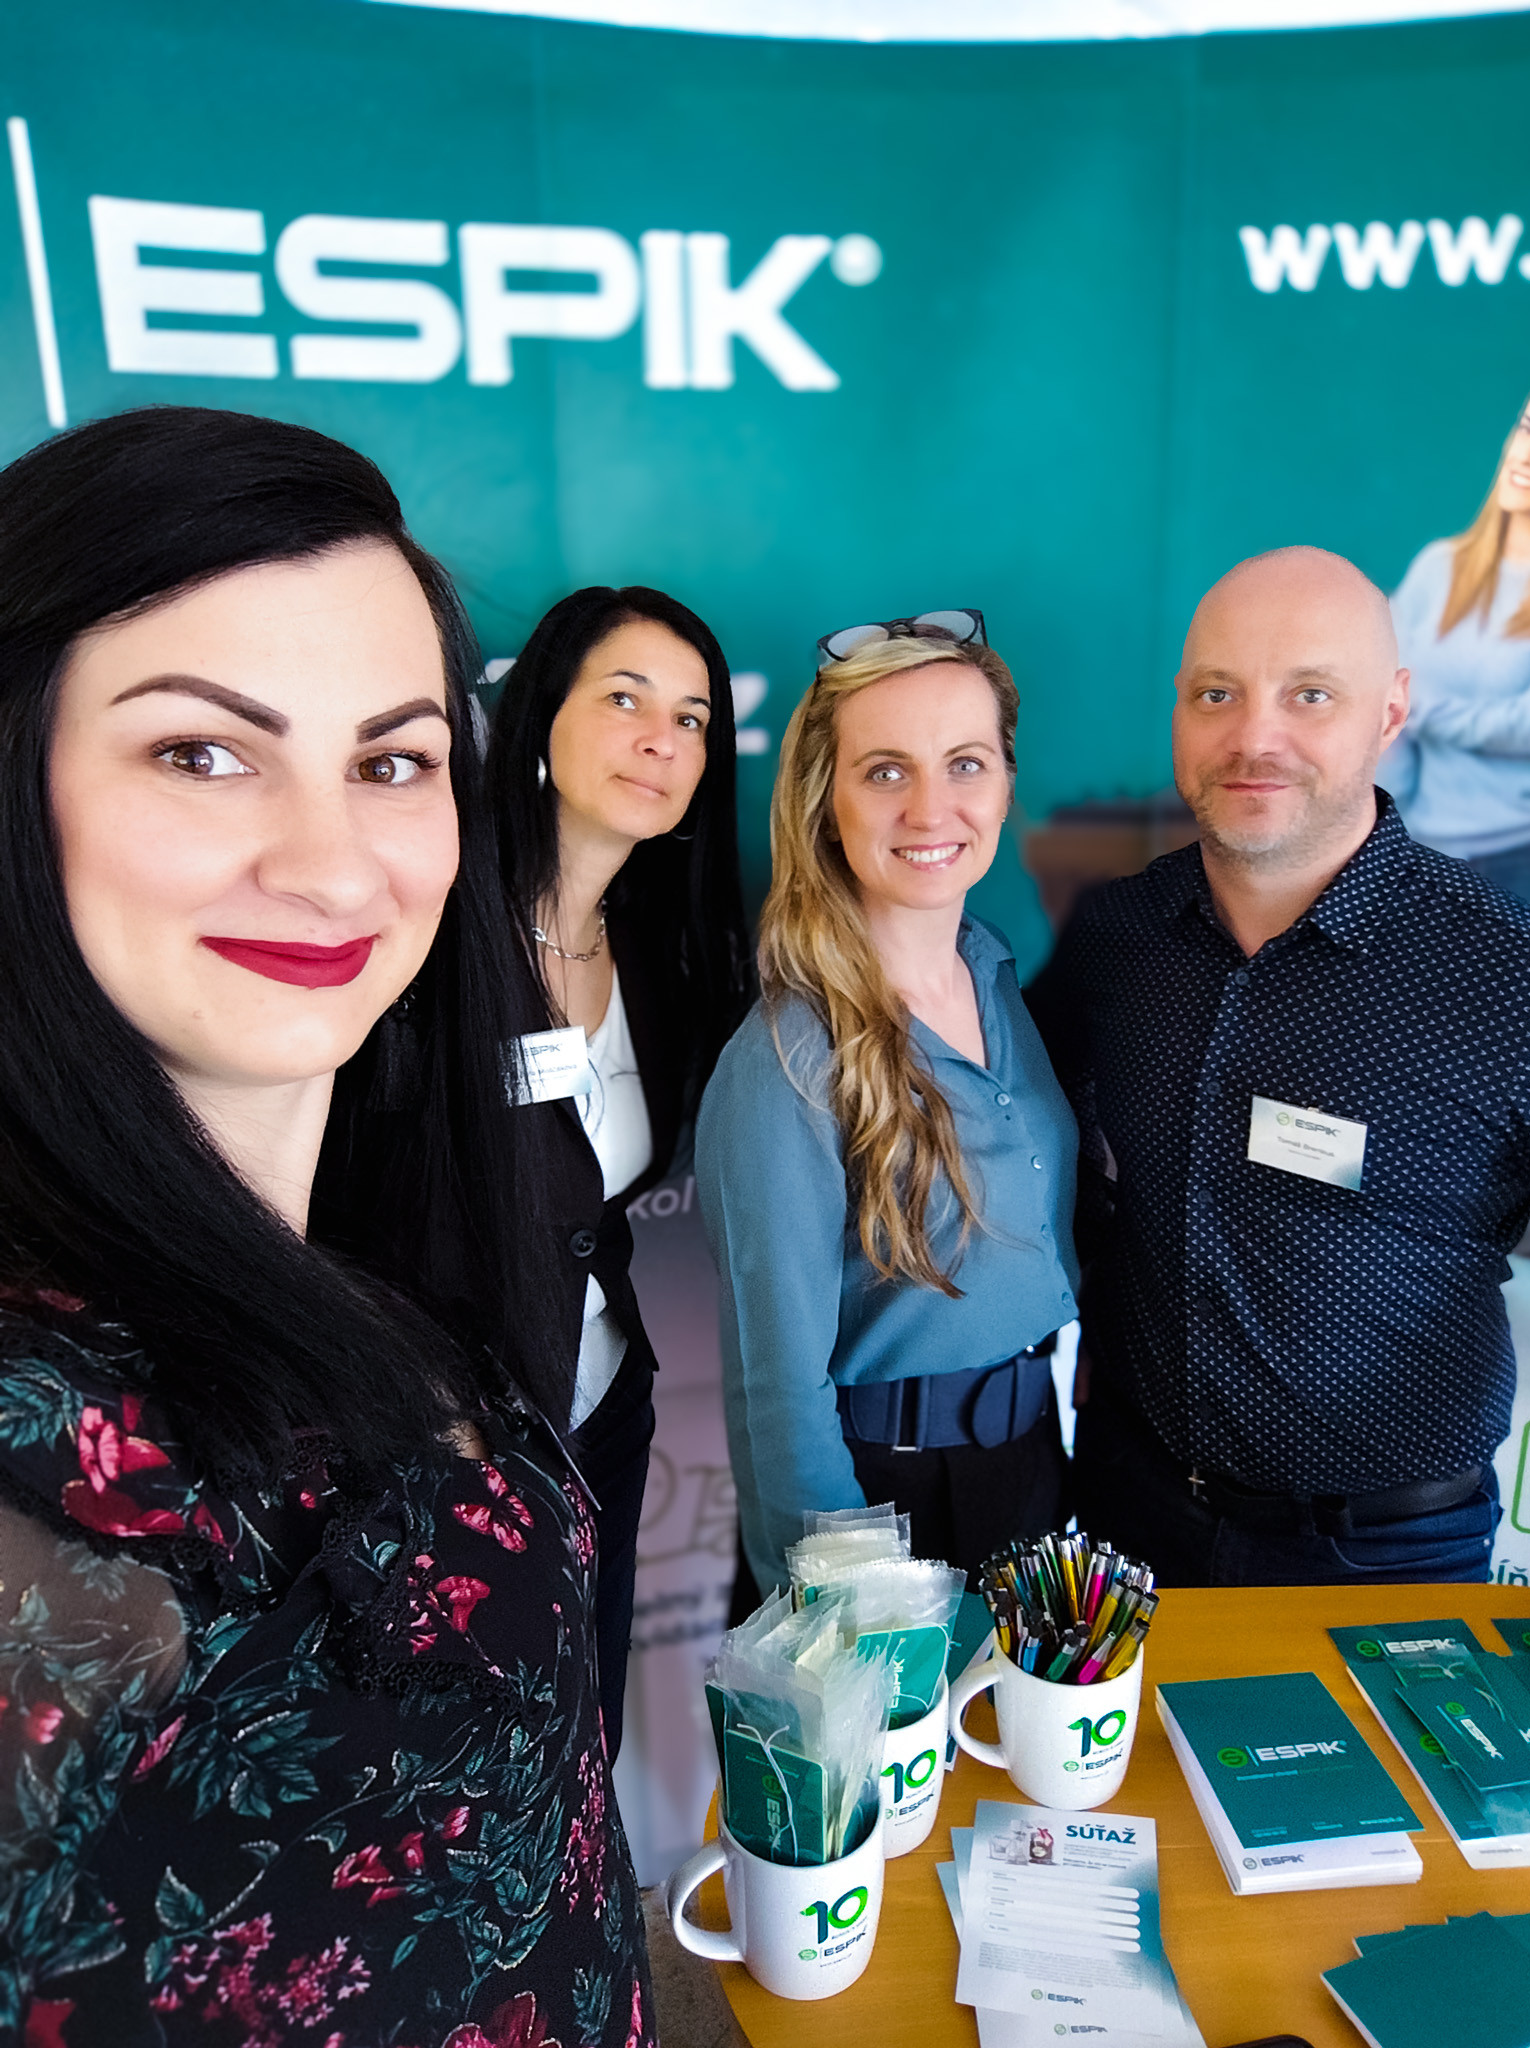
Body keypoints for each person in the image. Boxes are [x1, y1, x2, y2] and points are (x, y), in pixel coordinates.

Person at [0, 408, 653, 2047]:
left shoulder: (386, 1255)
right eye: (201, 752)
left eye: (389, 761)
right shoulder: (41, 1454)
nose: (331, 861)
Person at [1031, 545, 1530, 1588]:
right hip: (1125, 1513)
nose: (1254, 738)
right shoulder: (1118, 936)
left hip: (1383, 1554)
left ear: (1391, 712)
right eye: (1217, 694)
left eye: (1310, 694)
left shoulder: (1504, 973)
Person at [696, 616, 1079, 1603]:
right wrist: (844, 1606)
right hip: (883, 1503)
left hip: (1033, 1473)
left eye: (965, 764)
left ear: (1005, 785)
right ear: (827, 801)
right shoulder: (785, 1061)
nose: (930, 807)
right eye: (885, 771)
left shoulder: (996, 976)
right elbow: (778, 1390)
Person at [485, 586, 750, 1753]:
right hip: (455, 1444)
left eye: (692, 718)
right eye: (626, 699)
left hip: (607, 1413)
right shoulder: (441, 931)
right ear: (542, 712)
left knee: (584, 1734)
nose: (662, 739)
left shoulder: (654, 944)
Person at [1383, 388, 1530, 907]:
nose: (1527, 456)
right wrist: (1387, 828)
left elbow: (1527, 727)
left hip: (1521, 860)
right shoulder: (1438, 567)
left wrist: (1418, 710)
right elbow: (1382, 699)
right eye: (1527, 429)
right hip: (1418, 852)